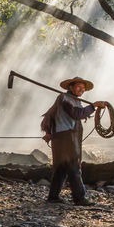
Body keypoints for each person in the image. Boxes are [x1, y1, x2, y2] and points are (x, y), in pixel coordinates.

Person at [42, 76, 107, 205]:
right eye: (78, 87)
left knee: (61, 168)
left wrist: (49, 133)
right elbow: (77, 114)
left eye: (83, 88)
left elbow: (52, 115)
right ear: (71, 87)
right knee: (74, 167)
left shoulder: (73, 100)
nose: (81, 90)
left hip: (61, 138)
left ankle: (53, 197)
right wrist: (94, 106)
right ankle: (80, 198)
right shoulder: (65, 98)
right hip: (66, 138)